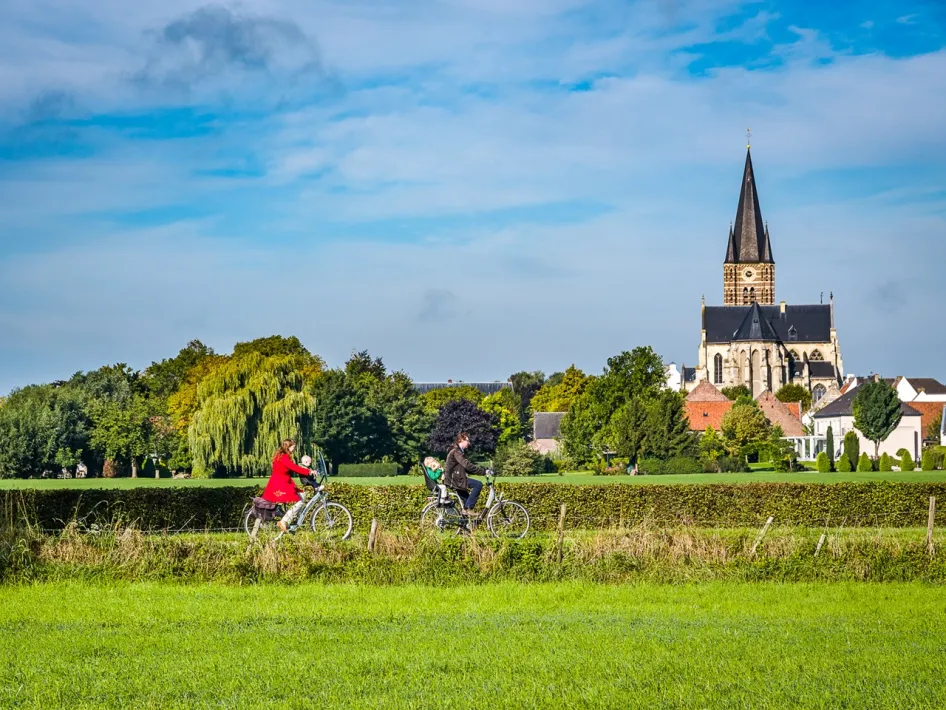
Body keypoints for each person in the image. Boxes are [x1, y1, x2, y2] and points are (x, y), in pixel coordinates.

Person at [262, 439, 315, 533]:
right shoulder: (284, 457)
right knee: (300, 501)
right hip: (281, 484)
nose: (294, 449)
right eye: (293, 447)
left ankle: (293, 521)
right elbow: (294, 467)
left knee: (302, 496)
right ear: (288, 447)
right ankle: (284, 521)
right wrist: (309, 471)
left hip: (282, 482)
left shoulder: (280, 455)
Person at [443, 432, 489, 517]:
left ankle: (465, 526)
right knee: (478, 485)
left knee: (467, 501)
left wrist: (480, 471)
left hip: (455, 478)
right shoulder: (456, 451)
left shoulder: (457, 451)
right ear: (461, 440)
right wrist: (483, 472)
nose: (469, 443)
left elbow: (465, 468)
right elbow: (467, 465)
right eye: (468, 440)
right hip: (455, 480)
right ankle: (468, 509)